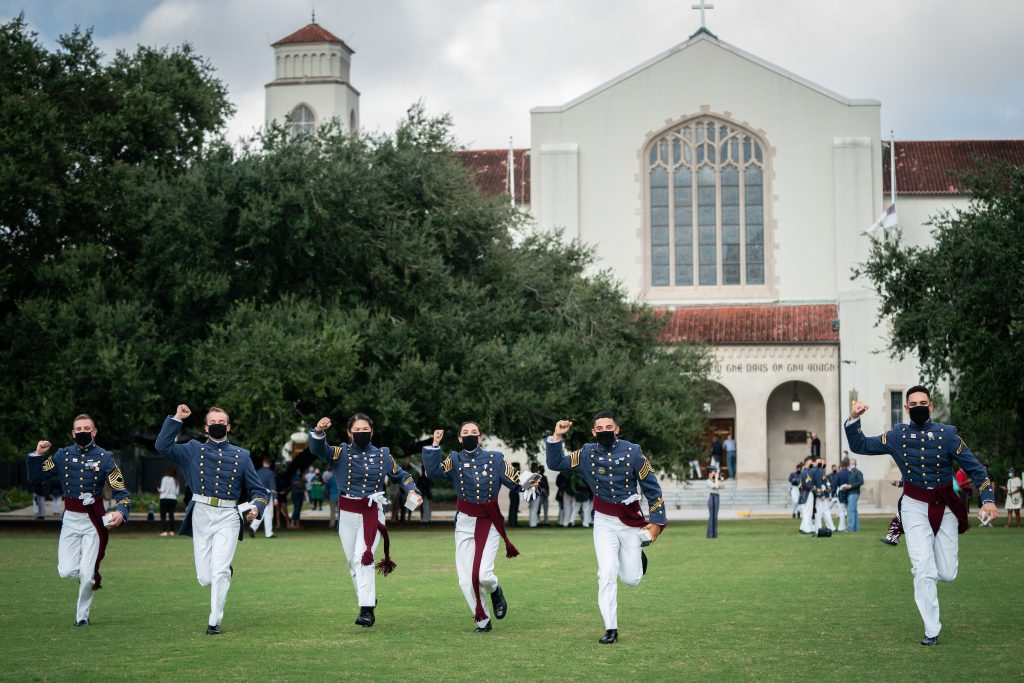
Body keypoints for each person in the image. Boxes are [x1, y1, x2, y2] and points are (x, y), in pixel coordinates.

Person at [845, 385, 997, 646]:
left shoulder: (948, 435)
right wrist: (854, 418)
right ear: (906, 408)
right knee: (923, 568)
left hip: (945, 505)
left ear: (931, 406)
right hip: (914, 505)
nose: (918, 407)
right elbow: (860, 445)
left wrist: (989, 500)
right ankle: (931, 629)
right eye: (912, 404)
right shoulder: (896, 436)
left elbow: (976, 469)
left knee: (948, 573)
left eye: (922, 403)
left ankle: (925, 573)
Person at [546, 413, 667, 645]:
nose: (604, 430)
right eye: (599, 427)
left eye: (608, 427)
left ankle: (636, 557)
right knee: (607, 572)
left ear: (617, 429)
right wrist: (557, 436)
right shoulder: (586, 453)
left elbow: (652, 489)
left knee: (631, 579)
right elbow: (555, 463)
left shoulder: (634, 452)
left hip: (630, 520)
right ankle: (610, 627)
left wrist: (657, 523)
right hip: (603, 521)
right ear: (593, 432)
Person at [155, 404, 268, 635]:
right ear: (206, 427)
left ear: (228, 426)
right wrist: (177, 418)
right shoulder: (192, 450)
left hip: (228, 515)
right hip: (201, 514)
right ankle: (224, 570)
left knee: (218, 572)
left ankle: (214, 622)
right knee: (205, 577)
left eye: (221, 422)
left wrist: (256, 507)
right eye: (212, 423)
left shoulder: (242, 455)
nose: (217, 425)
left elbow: (260, 491)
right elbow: (162, 446)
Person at [422, 422, 537, 633]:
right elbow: (434, 471)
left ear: (481, 437)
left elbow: (514, 479)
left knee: (483, 574)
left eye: (474, 432)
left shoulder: (495, 458)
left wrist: (530, 483)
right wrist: (435, 444)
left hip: (489, 520)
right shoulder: (454, 459)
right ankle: (482, 620)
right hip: (465, 522)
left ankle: (495, 590)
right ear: (459, 438)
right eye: (465, 433)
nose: (469, 435)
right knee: (465, 578)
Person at [308, 413, 421, 627]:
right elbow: (317, 449)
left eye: (365, 430)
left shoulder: (383, 455)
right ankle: (366, 596)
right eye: (357, 430)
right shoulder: (339, 452)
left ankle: (366, 609)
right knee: (353, 563)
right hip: (348, 515)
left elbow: (402, 475)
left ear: (372, 432)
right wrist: (319, 431)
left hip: (372, 513)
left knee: (363, 558)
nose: (362, 433)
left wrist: (412, 490)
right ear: (349, 433)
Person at [27, 414, 131, 626]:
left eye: (87, 428)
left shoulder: (105, 457)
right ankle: (87, 572)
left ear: (94, 432)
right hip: (71, 520)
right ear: (73, 433)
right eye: (79, 429)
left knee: (87, 574)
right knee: (66, 571)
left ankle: (82, 616)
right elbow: (35, 478)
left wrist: (121, 512)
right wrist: (38, 453)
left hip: (94, 520)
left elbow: (121, 491)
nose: (83, 432)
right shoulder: (62, 456)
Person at [249, 457, 277, 539]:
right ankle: (268, 533)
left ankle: (253, 527)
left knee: (261, 512)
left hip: (257, 493)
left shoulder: (257, 472)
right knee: (269, 514)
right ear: (270, 464)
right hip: (266, 494)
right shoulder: (270, 473)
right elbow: (273, 487)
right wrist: (275, 498)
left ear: (263, 463)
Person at [158, 467, 180, 537]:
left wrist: (158, 489)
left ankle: (164, 531)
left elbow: (163, 490)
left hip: (164, 499)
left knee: (163, 516)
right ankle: (171, 531)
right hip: (173, 499)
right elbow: (177, 492)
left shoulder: (165, 478)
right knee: (171, 516)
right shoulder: (176, 480)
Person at [798, 457, 817, 534]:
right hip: (808, 493)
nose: (811, 463)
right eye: (810, 462)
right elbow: (809, 484)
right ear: (806, 463)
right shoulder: (806, 472)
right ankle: (807, 529)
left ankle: (803, 528)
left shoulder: (803, 472)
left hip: (804, 493)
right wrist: (814, 488)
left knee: (806, 511)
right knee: (808, 512)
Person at [847, 456, 864, 532]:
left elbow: (861, 482)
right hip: (850, 493)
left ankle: (850, 528)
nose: (851, 464)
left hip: (854, 493)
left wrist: (851, 486)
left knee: (850, 510)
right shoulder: (850, 472)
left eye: (852, 463)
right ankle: (856, 528)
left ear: (855, 464)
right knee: (854, 511)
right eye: (850, 463)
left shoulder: (858, 472)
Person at [834, 459, 851, 531]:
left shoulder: (838, 473)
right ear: (847, 465)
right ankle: (849, 526)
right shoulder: (850, 473)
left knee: (841, 511)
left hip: (841, 493)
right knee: (849, 511)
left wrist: (834, 492)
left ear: (841, 465)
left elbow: (835, 484)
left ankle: (842, 527)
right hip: (849, 492)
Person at [706, 469, 723, 538]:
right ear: (709, 474)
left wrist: (720, 480)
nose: (714, 474)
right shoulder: (708, 481)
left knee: (715, 517)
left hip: (717, 497)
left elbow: (722, 487)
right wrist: (716, 478)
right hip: (712, 497)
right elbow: (715, 486)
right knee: (712, 516)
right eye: (713, 473)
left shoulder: (715, 481)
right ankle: (710, 535)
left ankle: (714, 534)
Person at [507, 462, 522, 527]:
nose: (519, 468)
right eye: (518, 466)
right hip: (513, 492)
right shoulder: (513, 474)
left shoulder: (516, 474)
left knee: (515, 508)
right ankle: (512, 523)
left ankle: (514, 522)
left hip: (516, 492)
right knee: (513, 508)